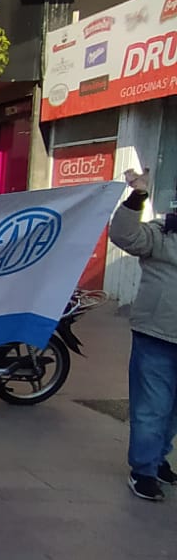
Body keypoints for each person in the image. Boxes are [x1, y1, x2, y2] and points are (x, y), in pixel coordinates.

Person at [110, 168, 177, 502]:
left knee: (173, 409)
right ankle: (143, 471)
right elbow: (123, 236)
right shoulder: (162, 233)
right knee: (153, 407)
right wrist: (138, 196)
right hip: (157, 336)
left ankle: (158, 457)